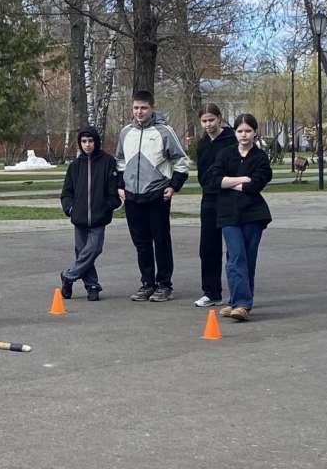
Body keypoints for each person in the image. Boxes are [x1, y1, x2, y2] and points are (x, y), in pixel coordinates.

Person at [115, 90, 189, 302]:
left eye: (144, 108)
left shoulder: (164, 131)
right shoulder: (126, 132)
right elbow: (120, 160)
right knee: (141, 242)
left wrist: (173, 186)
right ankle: (147, 283)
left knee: (161, 240)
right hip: (132, 197)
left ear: (152, 108)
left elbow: (181, 161)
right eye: (136, 108)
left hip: (157, 195)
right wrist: (121, 185)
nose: (139, 112)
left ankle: (164, 285)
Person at [202, 113, 272, 322]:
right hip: (228, 214)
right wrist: (241, 179)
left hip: (253, 214)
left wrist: (230, 182)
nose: (244, 135)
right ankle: (239, 302)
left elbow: (255, 185)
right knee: (235, 257)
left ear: (255, 132)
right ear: (234, 132)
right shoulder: (225, 154)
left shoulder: (260, 157)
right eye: (240, 131)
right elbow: (214, 180)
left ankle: (240, 302)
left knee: (247, 258)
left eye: (248, 131)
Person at [59, 126, 122, 301]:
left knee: (93, 249)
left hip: (98, 218)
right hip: (79, 218)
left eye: (91, 141)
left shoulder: (107, 162)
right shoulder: (74, 166)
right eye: (84, 141)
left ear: (96, 142)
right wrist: (70, 209)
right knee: (82, 253)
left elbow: (114, 193)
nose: (87, 145)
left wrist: (107, 206)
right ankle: (92, 286)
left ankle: (68, 276)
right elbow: (66, 193)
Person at [194, 104, 236, 308]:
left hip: (229, 197)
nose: (208, 124)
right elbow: (202, 173)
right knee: (208, 247)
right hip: (209, 198)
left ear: (219, 118)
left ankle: (238, 293)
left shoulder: (231, 140)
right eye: (204, 121)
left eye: (211, 120)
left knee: (234, 247)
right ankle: (211, 292)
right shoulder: (202, 144)